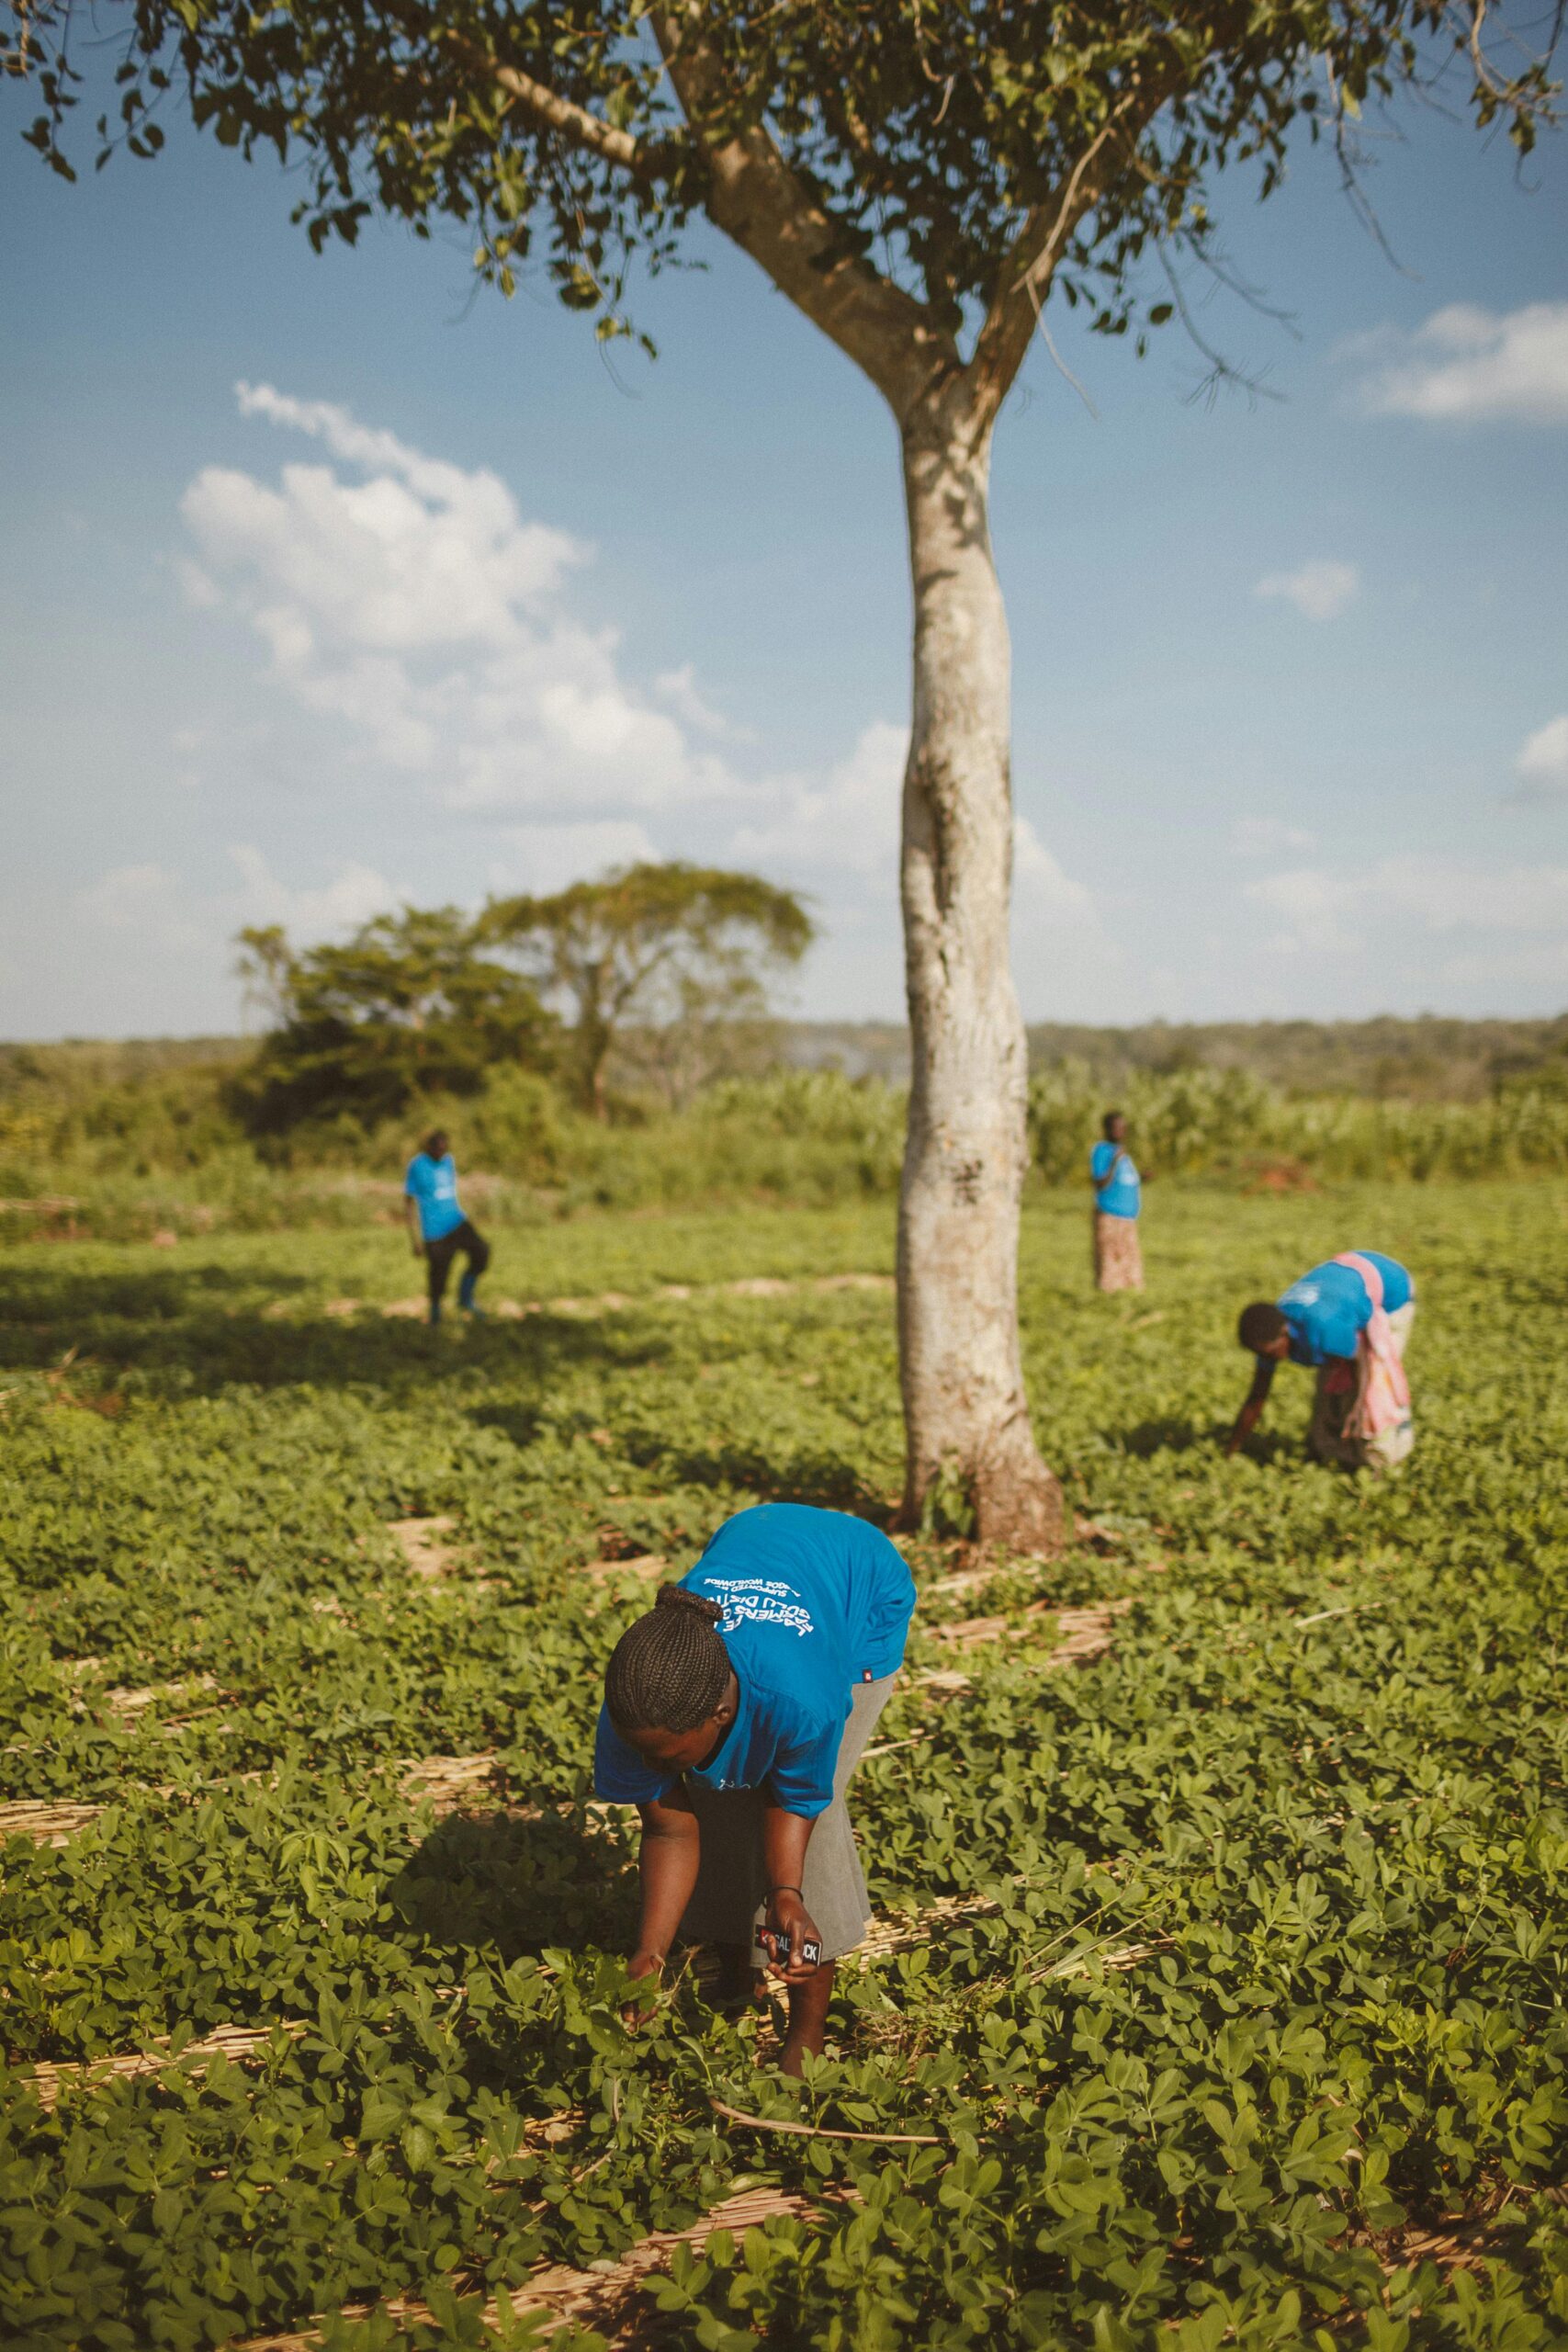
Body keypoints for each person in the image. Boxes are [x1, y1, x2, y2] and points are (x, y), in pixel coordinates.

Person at [594, 1501, 916, 2077]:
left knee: (809, 1836)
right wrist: (650, 1953)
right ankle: (734, 1962)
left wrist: (787, 1893)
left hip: (859, 1589)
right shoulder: (641, 1701)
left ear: (720, 1713)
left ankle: (807, 2029)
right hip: (759, 1539)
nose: (648, 1763)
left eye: (662, 1756)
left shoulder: (802, 1701)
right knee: (715, 1801)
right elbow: (669, 1826)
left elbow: (797, 1800)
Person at [1227, 1249, 1416, 1471]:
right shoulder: (1268, 1334)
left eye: (1268, 1353)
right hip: (1344, 1291)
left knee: (1375, 1393)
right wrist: (1231, 1449)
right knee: (1330, 1389)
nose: (1266, 1359)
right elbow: (1257, 1395)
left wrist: (1358, 1412)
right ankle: (1327, 1450)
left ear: (1284, 1333)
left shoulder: (1324, 1329)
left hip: (1391, 1290)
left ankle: (1383, 1458)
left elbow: (1364, 1375)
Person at [403, 1127, 490, 1327]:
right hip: (435, 1231)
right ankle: (435, 1315)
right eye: (438, 1149)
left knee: (482, 1252)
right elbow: (408, 1202)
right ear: (429, 1147)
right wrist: (414, 1239)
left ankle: (465, 1298)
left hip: (457, 1222)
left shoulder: (449, 1161)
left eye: (444, 1149)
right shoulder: (417, 1166)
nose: (441, 1153)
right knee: (438, 1275)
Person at [1090, 1110, 1144, 1292]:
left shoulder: (1123, 1153)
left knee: (1130, 1262)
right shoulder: (1102, 1151)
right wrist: (1115, 1161)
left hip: (1128, 1215)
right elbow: (1100, 1183)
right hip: (1110, 1214)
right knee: (1110, 1262)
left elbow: (1126, 1179)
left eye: (1123, 1127)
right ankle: (1108, 1297)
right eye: (1116, 1127)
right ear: (1107, 1129)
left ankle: (1129, 1296)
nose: (1121, 1131)